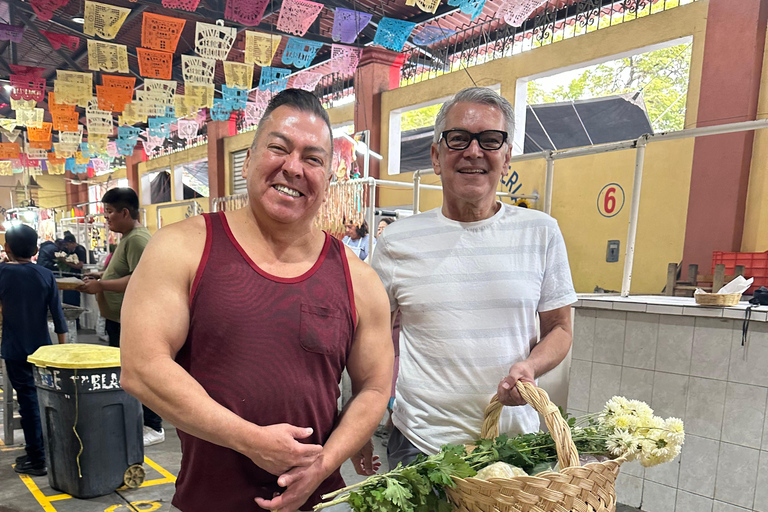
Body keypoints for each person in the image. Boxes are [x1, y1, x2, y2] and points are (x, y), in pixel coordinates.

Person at [119, 89, 394, 512]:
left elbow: (375, 386)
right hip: (209, 501)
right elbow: (141, 367)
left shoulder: (358, 279)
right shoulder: (182, 248)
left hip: (318, 500)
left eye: (313, 158)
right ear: (247, 160)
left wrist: (321, 465)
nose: (294, 168)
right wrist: (252, 441)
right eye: (279, 148)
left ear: (329, 177)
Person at [358, 87, 578, 473]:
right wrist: (359, 423)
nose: (473, 152)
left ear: (506, 156)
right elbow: (369, 340)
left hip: (513, 448)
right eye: (458, 138)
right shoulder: (395, 241)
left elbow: (560, 329)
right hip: (420, 445)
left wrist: (530, 366)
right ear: (436, 154)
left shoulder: (540, 232)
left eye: (490, 140)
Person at [78, 188, 163, 446]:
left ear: (125, 212)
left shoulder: (137, 239)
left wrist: (102, 287)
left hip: (133, 319)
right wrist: (101, 278)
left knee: (140, 373)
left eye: (110, 213)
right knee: (127, 373)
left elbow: (141, 278)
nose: (107, 219)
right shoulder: (127, 238)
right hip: (119, 319)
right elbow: (123, 273)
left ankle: (154, 425)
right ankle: (138, 419)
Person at [0, 224, 67, 477]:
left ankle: (37, 458)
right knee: (43, 400)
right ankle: (41, 451)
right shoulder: (46, 275)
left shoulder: (2, 272)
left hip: (16, 350)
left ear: (6, 249)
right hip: (43, 351)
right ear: (37, 249)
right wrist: (62, 351)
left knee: (27, 403)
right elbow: (58, 317)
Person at [58, 232, 87, 309]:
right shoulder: (68, 250)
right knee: (66, 304)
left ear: (73, 243)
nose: (66, 247)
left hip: (75, 281)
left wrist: (65, 261)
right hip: (68, 280)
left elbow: (79, 265)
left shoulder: (80, 250)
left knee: (74, 305)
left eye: (67, 245)